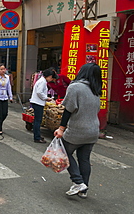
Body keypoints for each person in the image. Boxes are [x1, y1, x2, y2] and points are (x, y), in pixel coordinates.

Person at [54, 63, 102, 198]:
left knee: (64, 152)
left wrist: (61, 129)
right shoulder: (96, 89)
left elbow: (68, 110)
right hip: (93, 130)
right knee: (84, 159)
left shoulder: (75, 87)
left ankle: (78, 181)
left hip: (78, 130)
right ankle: (84, 190)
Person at [29, 69, 56, 143]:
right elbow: (39, 92)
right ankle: (37, 137)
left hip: (37, 102)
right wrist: (46, 98)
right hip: (38, 103)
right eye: (51, 77)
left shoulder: (42, 81)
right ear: (49, 76)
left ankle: (37, 136)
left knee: (37, 120)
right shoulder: (42, 82)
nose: (51, 79)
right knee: (38, 120)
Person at [0, 63, 13, 136]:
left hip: (5, 97)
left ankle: (0, 122)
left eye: (4, 69)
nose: (3, 70)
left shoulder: (7, 77)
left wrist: (11, 97)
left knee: (5, 113)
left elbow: (9, 87)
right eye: (1, 69)